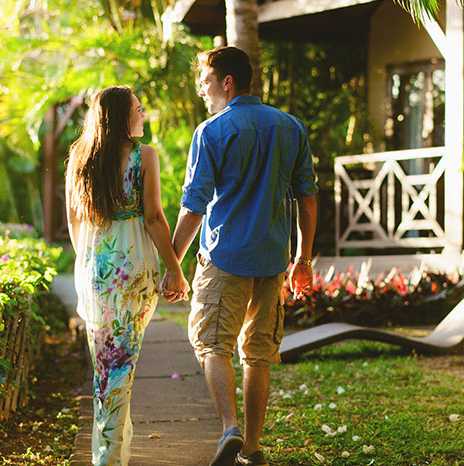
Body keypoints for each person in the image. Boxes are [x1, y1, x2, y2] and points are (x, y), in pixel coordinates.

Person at [162, 47, 317, 466]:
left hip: (225, 255)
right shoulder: (291, 127)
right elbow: (307, 197)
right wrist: (302, 259)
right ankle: (251, 448)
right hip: (272, 260)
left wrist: (173, 264)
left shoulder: (211, 131)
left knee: (213, 345)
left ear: (227, 82)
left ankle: (229, 427)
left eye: (206, 82)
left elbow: (193, 207)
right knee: (258, 353)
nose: (203, 90)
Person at [66, 85, 190, 466]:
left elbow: (73, 219)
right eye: (138, 109)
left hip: (94, 266)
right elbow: (153, 217)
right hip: (131, 267)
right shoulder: (143, 156)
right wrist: (175, 269)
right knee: (120, 363)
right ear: (122, 116)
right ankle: (109, 457)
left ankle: (110, 452)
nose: (143, 115)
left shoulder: (79, 158)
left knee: (106, 364)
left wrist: (88, 259)